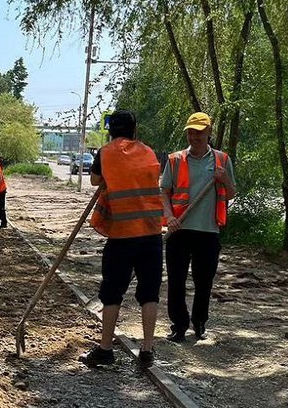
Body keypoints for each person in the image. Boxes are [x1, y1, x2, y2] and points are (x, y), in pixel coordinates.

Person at [79, 109, 164, 367]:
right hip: (151, 233)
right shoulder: (148, 152)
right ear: (134, 129)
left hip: (122, 235)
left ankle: (105, 349)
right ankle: (147, 350)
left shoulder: (105, 153)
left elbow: (94, 181)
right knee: (150, 292)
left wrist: (108, 176)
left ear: (111, 130)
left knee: (112, 292)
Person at [162, 112, 237, 342]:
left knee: (204, 281)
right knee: (176, 280)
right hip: (179, 230)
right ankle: (179, 325)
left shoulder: (222, 161)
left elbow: (232, 193)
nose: (195, 136)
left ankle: (200, 322)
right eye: (191, 132)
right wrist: (169, 217)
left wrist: (224, 179)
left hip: (208, 231)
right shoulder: (175, 160)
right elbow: (164, 192)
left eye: (199, 132)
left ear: (209, 133)